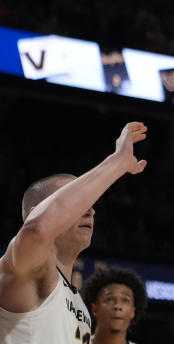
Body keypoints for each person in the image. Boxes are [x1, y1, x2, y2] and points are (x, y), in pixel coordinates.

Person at [0, 122, 149, 344]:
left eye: (89, 202)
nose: (90, 209)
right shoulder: (29, 269)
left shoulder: (79, 305)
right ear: (35, 212)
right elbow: (38, 229)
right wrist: (117, 162)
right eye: (78, 202)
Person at [81, 267, 147, 344]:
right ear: (94, 309)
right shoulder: (74, 341)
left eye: (125, 300)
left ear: (133, 311)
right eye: (110, 300)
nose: (117, 306)